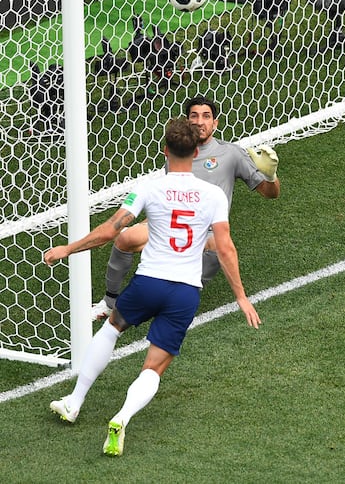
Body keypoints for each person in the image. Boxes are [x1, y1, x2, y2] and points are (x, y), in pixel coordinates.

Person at [45, 117, 261, 457]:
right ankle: (122, 417)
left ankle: (74, 401)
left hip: (148, 282)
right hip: (185, 291)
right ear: (195, 152)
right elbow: (225, 247)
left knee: (113, 326)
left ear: (164, 150)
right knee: (154, 366)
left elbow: (109, 231)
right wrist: (241, 297)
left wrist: (66, 250)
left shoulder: (148, 187)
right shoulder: (214, 194)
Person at [91, 96, 280, 320]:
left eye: (206, 116)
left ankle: (178, 293)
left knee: (213, 251)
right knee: (125, 239)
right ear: (187, 121)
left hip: (205, 231)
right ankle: (110, 302)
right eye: (194, 116)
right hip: (170, 222)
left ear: (215, 123)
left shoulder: (230, 153)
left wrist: (270, 175)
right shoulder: (176, 151)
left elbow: (270, 193)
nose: (200, 121)